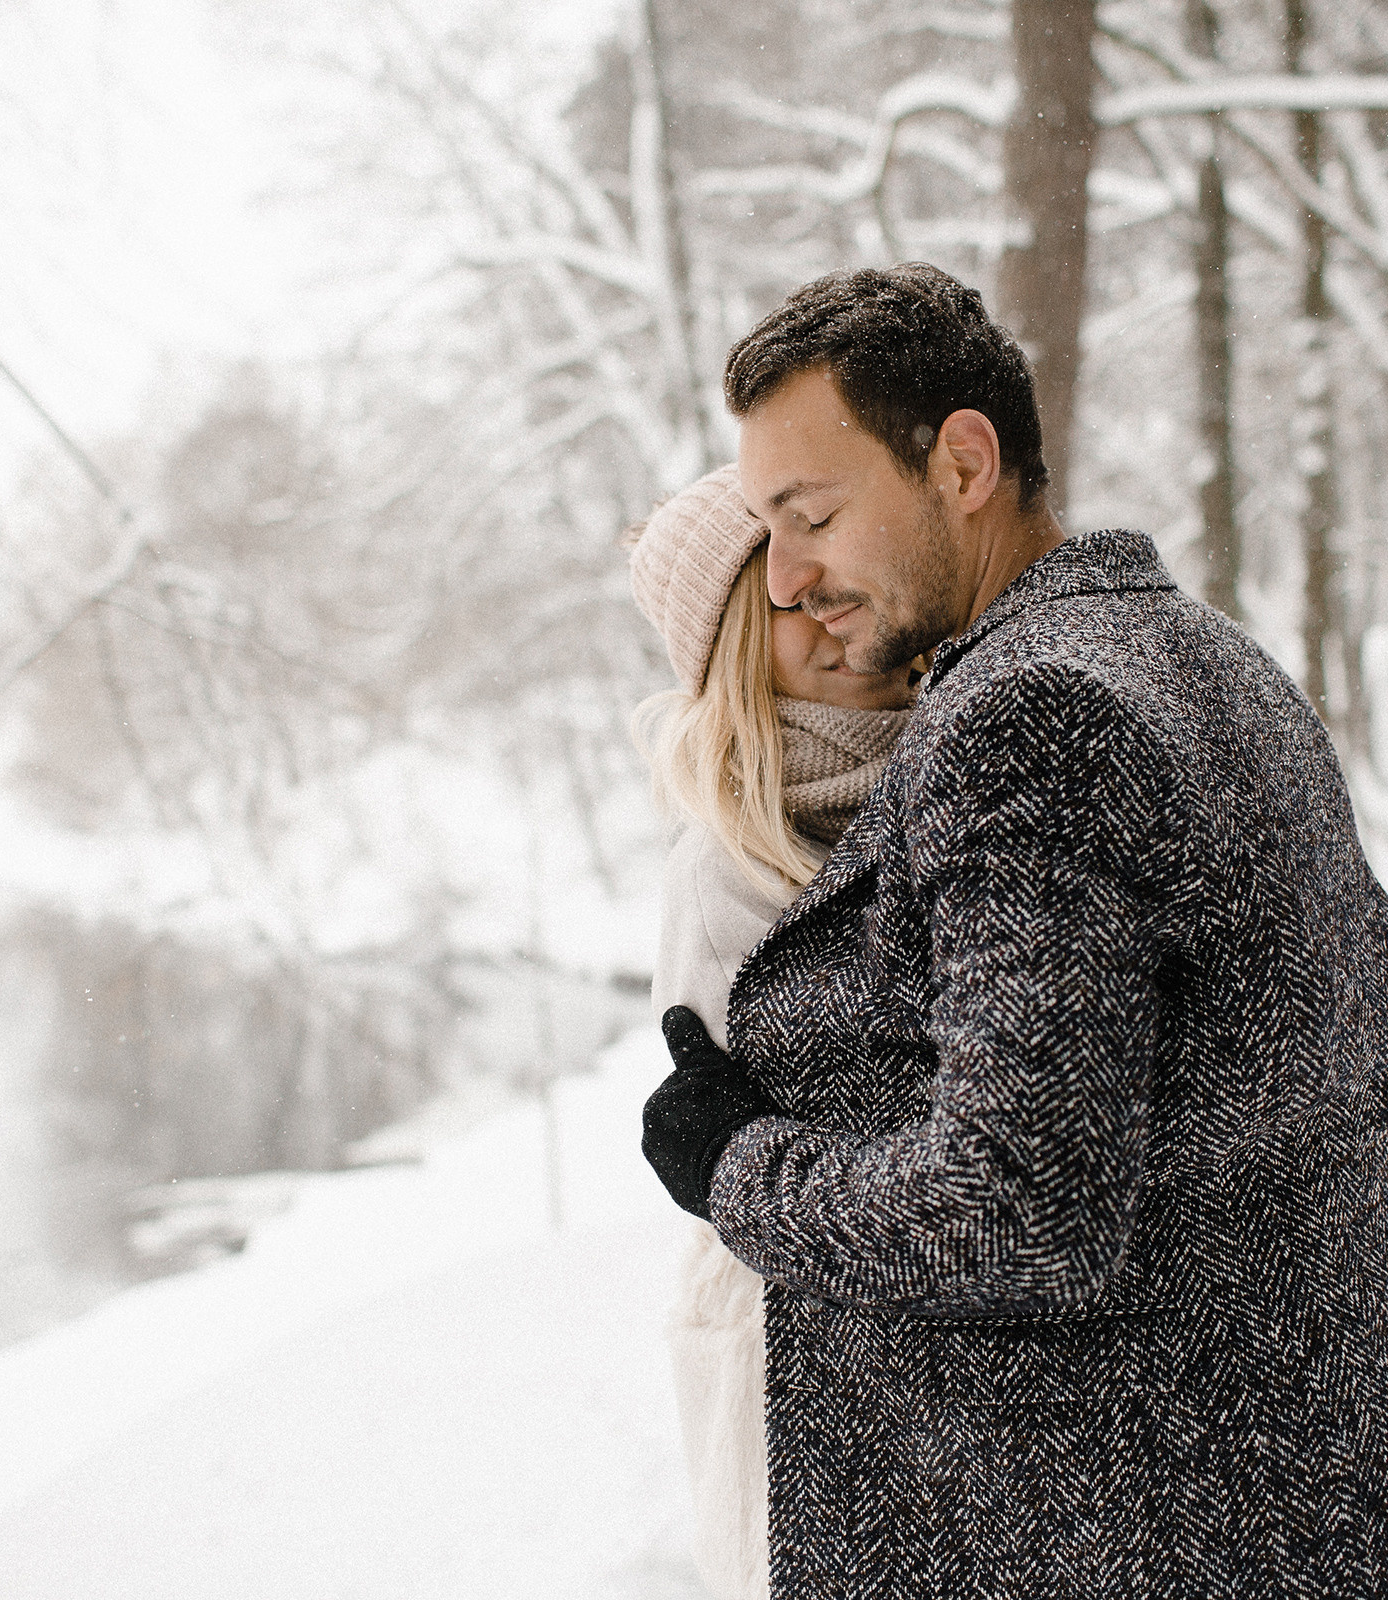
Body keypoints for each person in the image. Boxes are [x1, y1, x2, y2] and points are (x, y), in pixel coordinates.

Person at [638, 264, 1388, 1597]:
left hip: (1189, 1518)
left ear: (963, 462)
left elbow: (1012, 1215)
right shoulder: (1202, 654)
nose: (789, 575)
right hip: (1364, 1486)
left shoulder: (1021, 722)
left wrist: (739, 1167)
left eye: (811, 516)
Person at [628, 464, 920, 1600]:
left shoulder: (951, 755)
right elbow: (735, 1125)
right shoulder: (727, 861)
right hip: (786, 1316)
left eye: (836, 586)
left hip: (904, 1273)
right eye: (789, 608)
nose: (835, 624)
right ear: (738, 646)